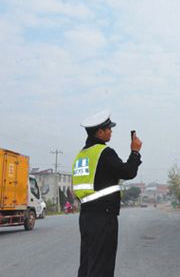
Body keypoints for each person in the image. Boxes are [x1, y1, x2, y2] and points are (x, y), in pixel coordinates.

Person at [72, 110, 142, 277]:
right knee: (102, 265)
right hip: (103, 217)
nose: (111, 131)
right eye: (108, 128)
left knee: (88, 263)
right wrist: (135, 152)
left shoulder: (81, 155)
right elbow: (128, 172)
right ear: (100, 132)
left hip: (86, 216)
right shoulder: (104, 152)